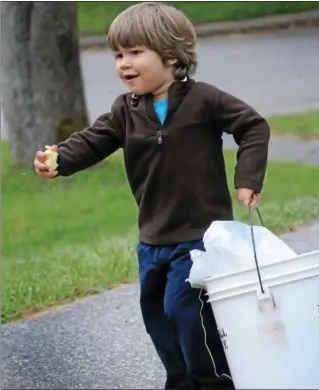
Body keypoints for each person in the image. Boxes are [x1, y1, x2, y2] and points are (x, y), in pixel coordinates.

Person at [34, 2, 270, 389]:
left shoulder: (204, 100)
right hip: (153, 240)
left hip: (200, 239)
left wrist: (247, 179)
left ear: (172, 56)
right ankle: (179, 382)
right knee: (158, 317)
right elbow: (95, 140)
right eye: (118, 55)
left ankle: (214, 383)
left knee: (187, 313)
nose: (123, 63)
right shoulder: (125, 110)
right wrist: (59, 160)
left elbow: (253, 127)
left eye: (135, 52)